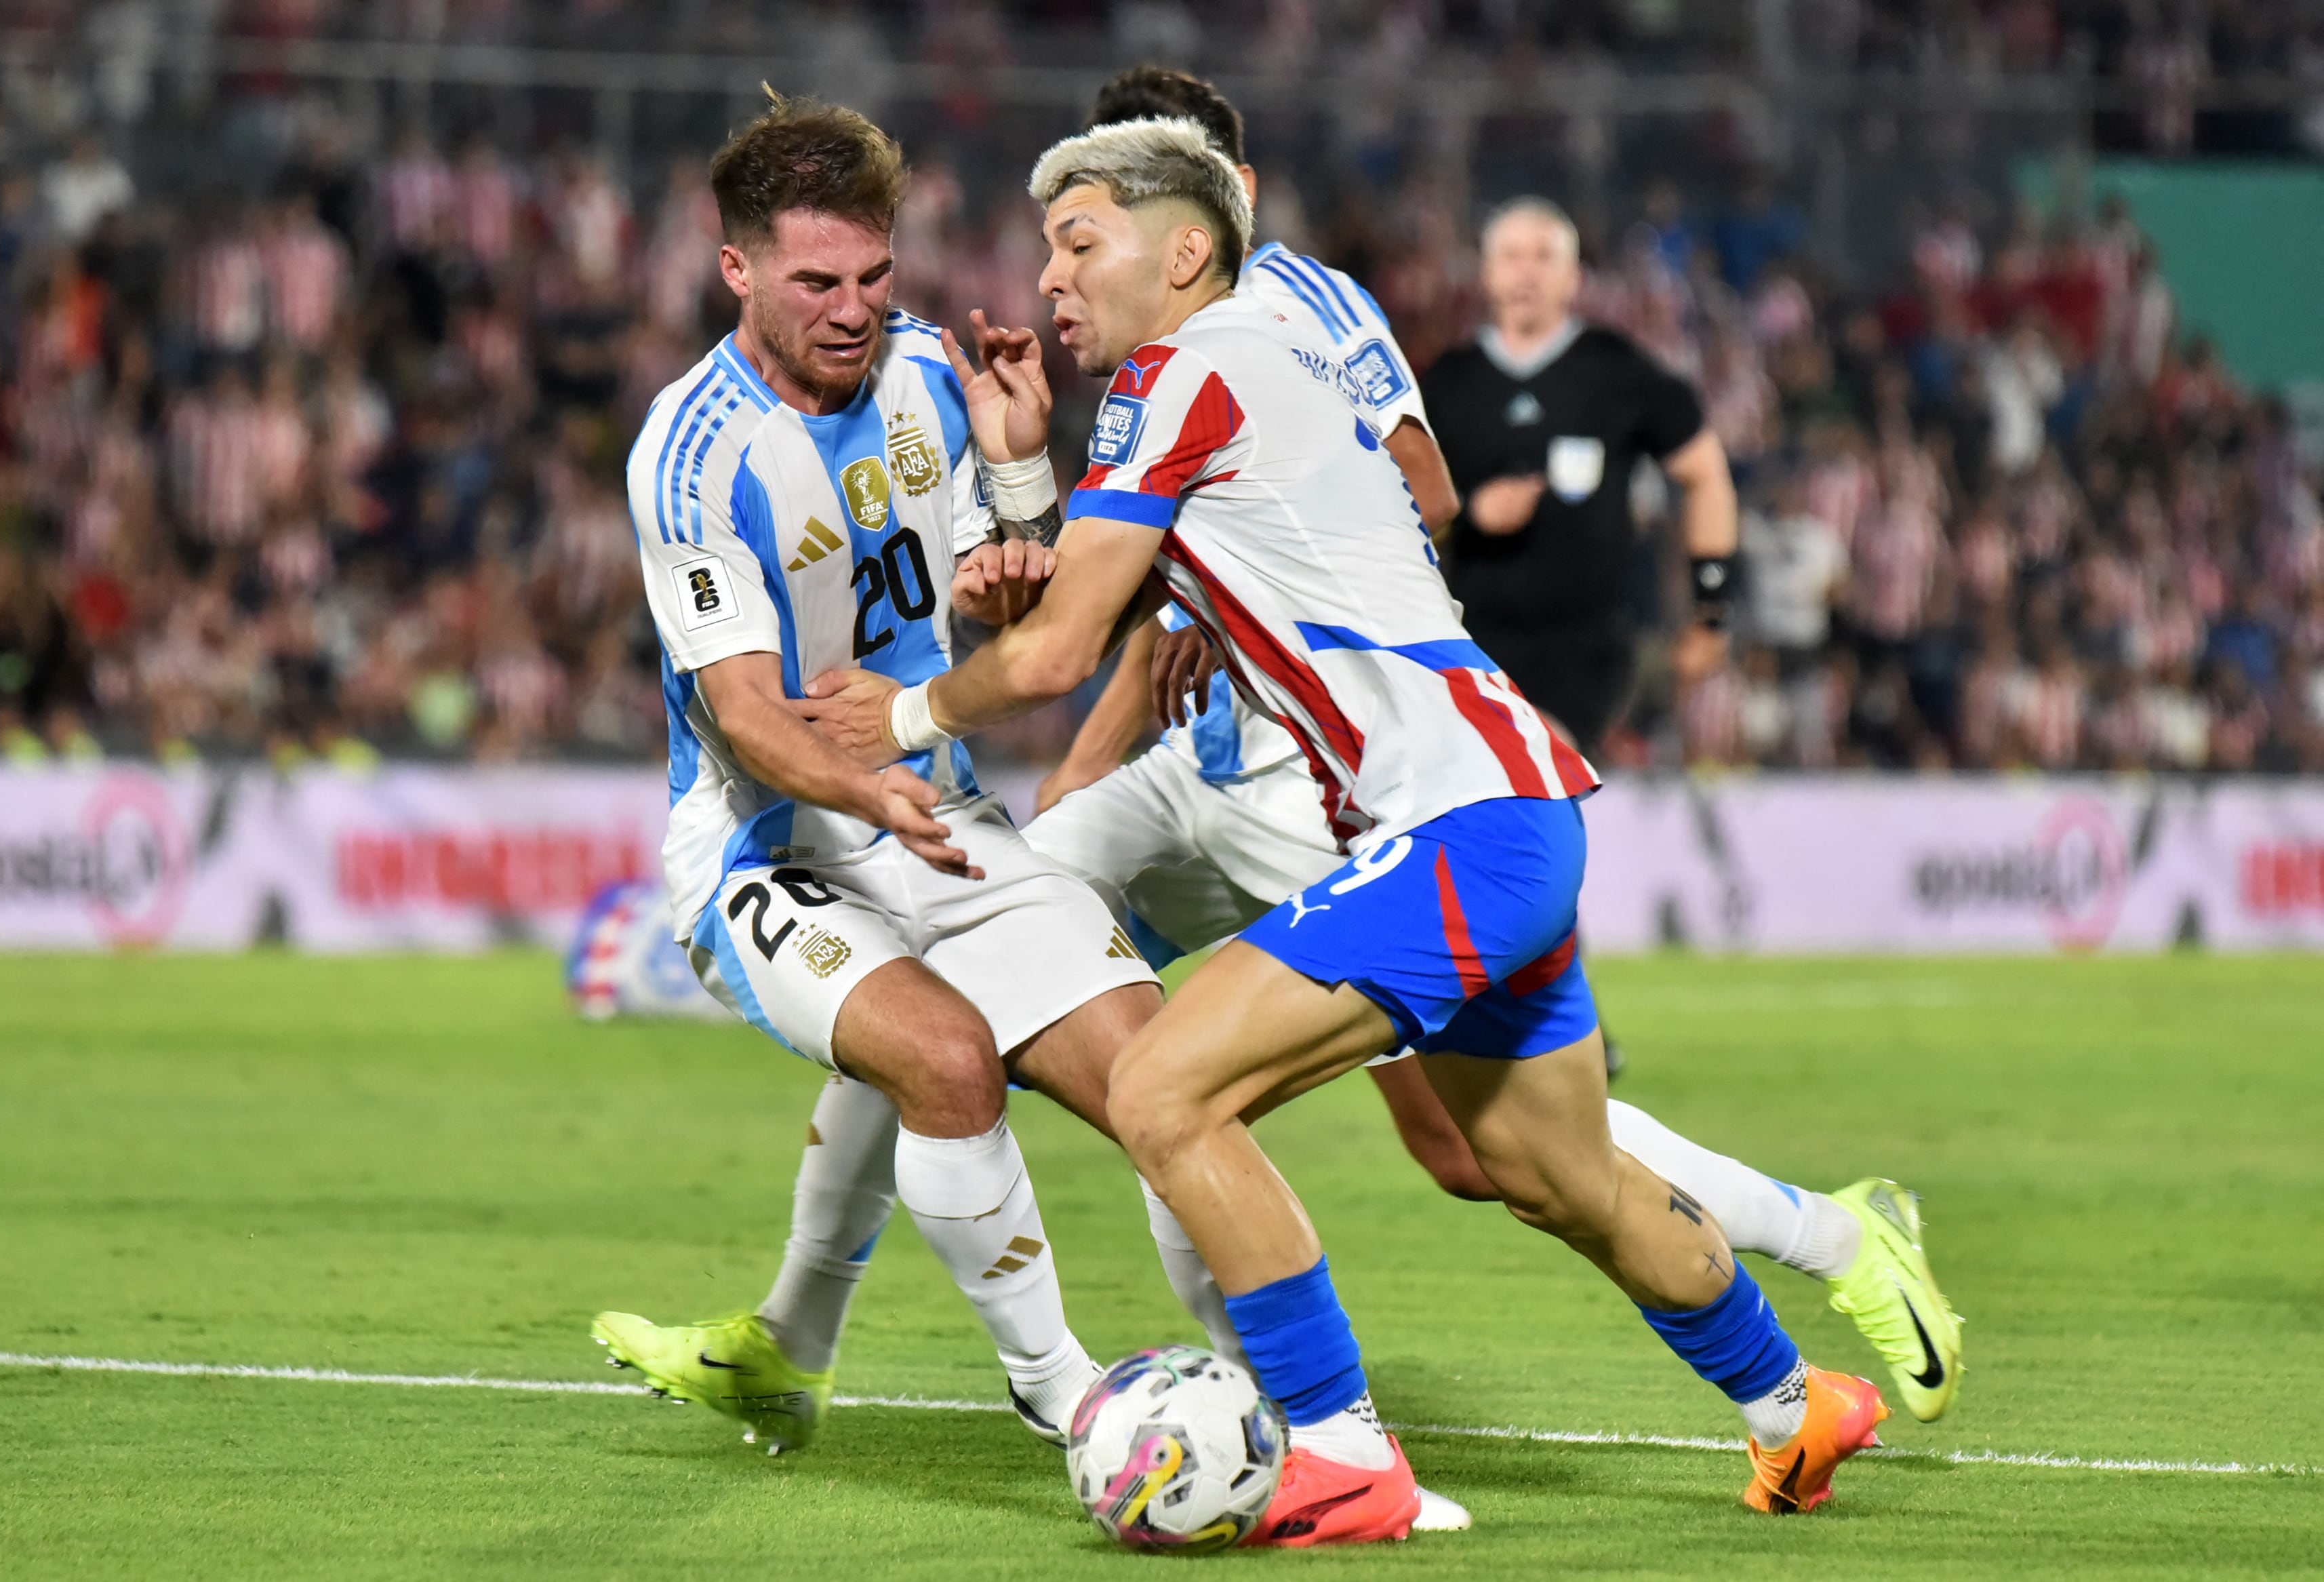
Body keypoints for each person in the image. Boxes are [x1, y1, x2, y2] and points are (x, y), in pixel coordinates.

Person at [793, 119, 1892, 1540]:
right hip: (1512, 808)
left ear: (1183, 248)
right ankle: (1790, 1398)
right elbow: (1122, 597)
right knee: (1556, 1174)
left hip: (1453, 822)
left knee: (1164, 1089)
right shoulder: (1265, 348)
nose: (1051, 277)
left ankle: (1337, 1444)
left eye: (1080, 242)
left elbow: (1063, 643)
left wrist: (900, 715)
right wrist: (1017, 481)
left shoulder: (1182, 369)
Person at [590, 92, 1163, 1452]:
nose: (853, 308)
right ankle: (1067, 1391)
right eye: (814, 282)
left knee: (1162, 1077)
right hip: (767, 850)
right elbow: (743, 716)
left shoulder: (923, 373)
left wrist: (1024, 481)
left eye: (871, 274)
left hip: (933, 811)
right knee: (946, 1056)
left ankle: (1316, 1411)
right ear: (735, 268)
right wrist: (873, 789)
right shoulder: (689, 454)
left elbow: (1015, 616)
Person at [1421, 197, 1741, 759]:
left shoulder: (1617, 373)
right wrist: (1471, 513)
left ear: (1573, 277)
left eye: (1544, 257)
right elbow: (1393, 508)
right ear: (1486, 272)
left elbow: (1705, 474)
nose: (1527, 271)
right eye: (1512, 256)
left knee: (1532, 762)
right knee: (1488, 786)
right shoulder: (1446, 385)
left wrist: (1710, 612)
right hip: (1472, 639)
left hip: (1587, 646)